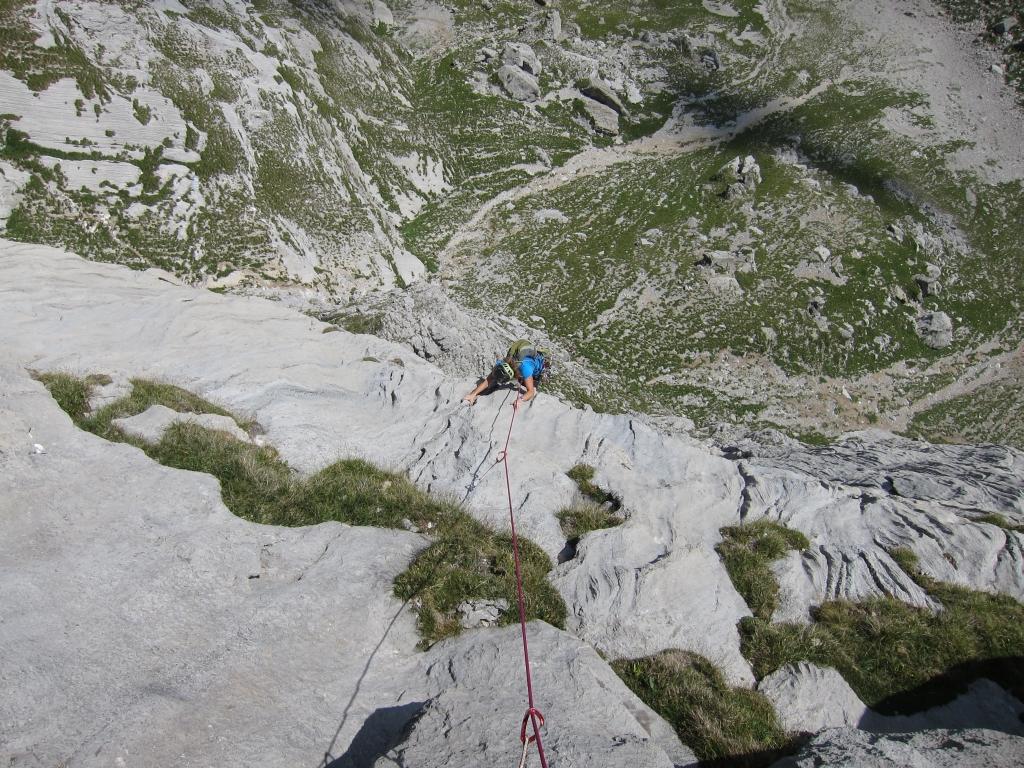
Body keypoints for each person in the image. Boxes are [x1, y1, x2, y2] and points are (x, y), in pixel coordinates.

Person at [462, 339, 547, 406]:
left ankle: (544, 360)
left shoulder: (526, 369)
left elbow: (531, 392)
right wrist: (473, 394)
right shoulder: (501, 364)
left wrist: (520, 400)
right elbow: (488, 380)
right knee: (522, 381)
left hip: (535, 368)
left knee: (533, 382)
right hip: (520, 367)